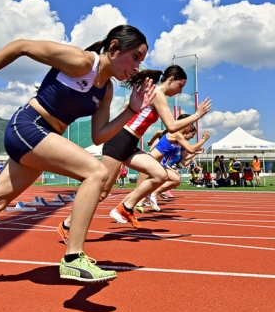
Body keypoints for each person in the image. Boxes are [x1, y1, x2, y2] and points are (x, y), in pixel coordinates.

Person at [0, 24, 154, 294]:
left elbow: (99, 136)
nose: (138, 66)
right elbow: (20, 45)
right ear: (114, 47)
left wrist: (130, 111)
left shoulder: (106, 91)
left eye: (142, 60)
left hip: (44, 140)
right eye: (136, 56)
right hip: (28, 126)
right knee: (97, 172)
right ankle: (73, 257)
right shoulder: (80, 62)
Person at [58, 65, 212, 236]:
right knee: (101, 193)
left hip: (130, 143)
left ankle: (126, 206)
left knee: (160, 175)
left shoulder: (153, 93)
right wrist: (197, 115)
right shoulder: (158, 94)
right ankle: (66, 225)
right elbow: (172, 126)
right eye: (180, 86)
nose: (180, 91)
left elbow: (127, 106)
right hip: (119, 140)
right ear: (170, 80)